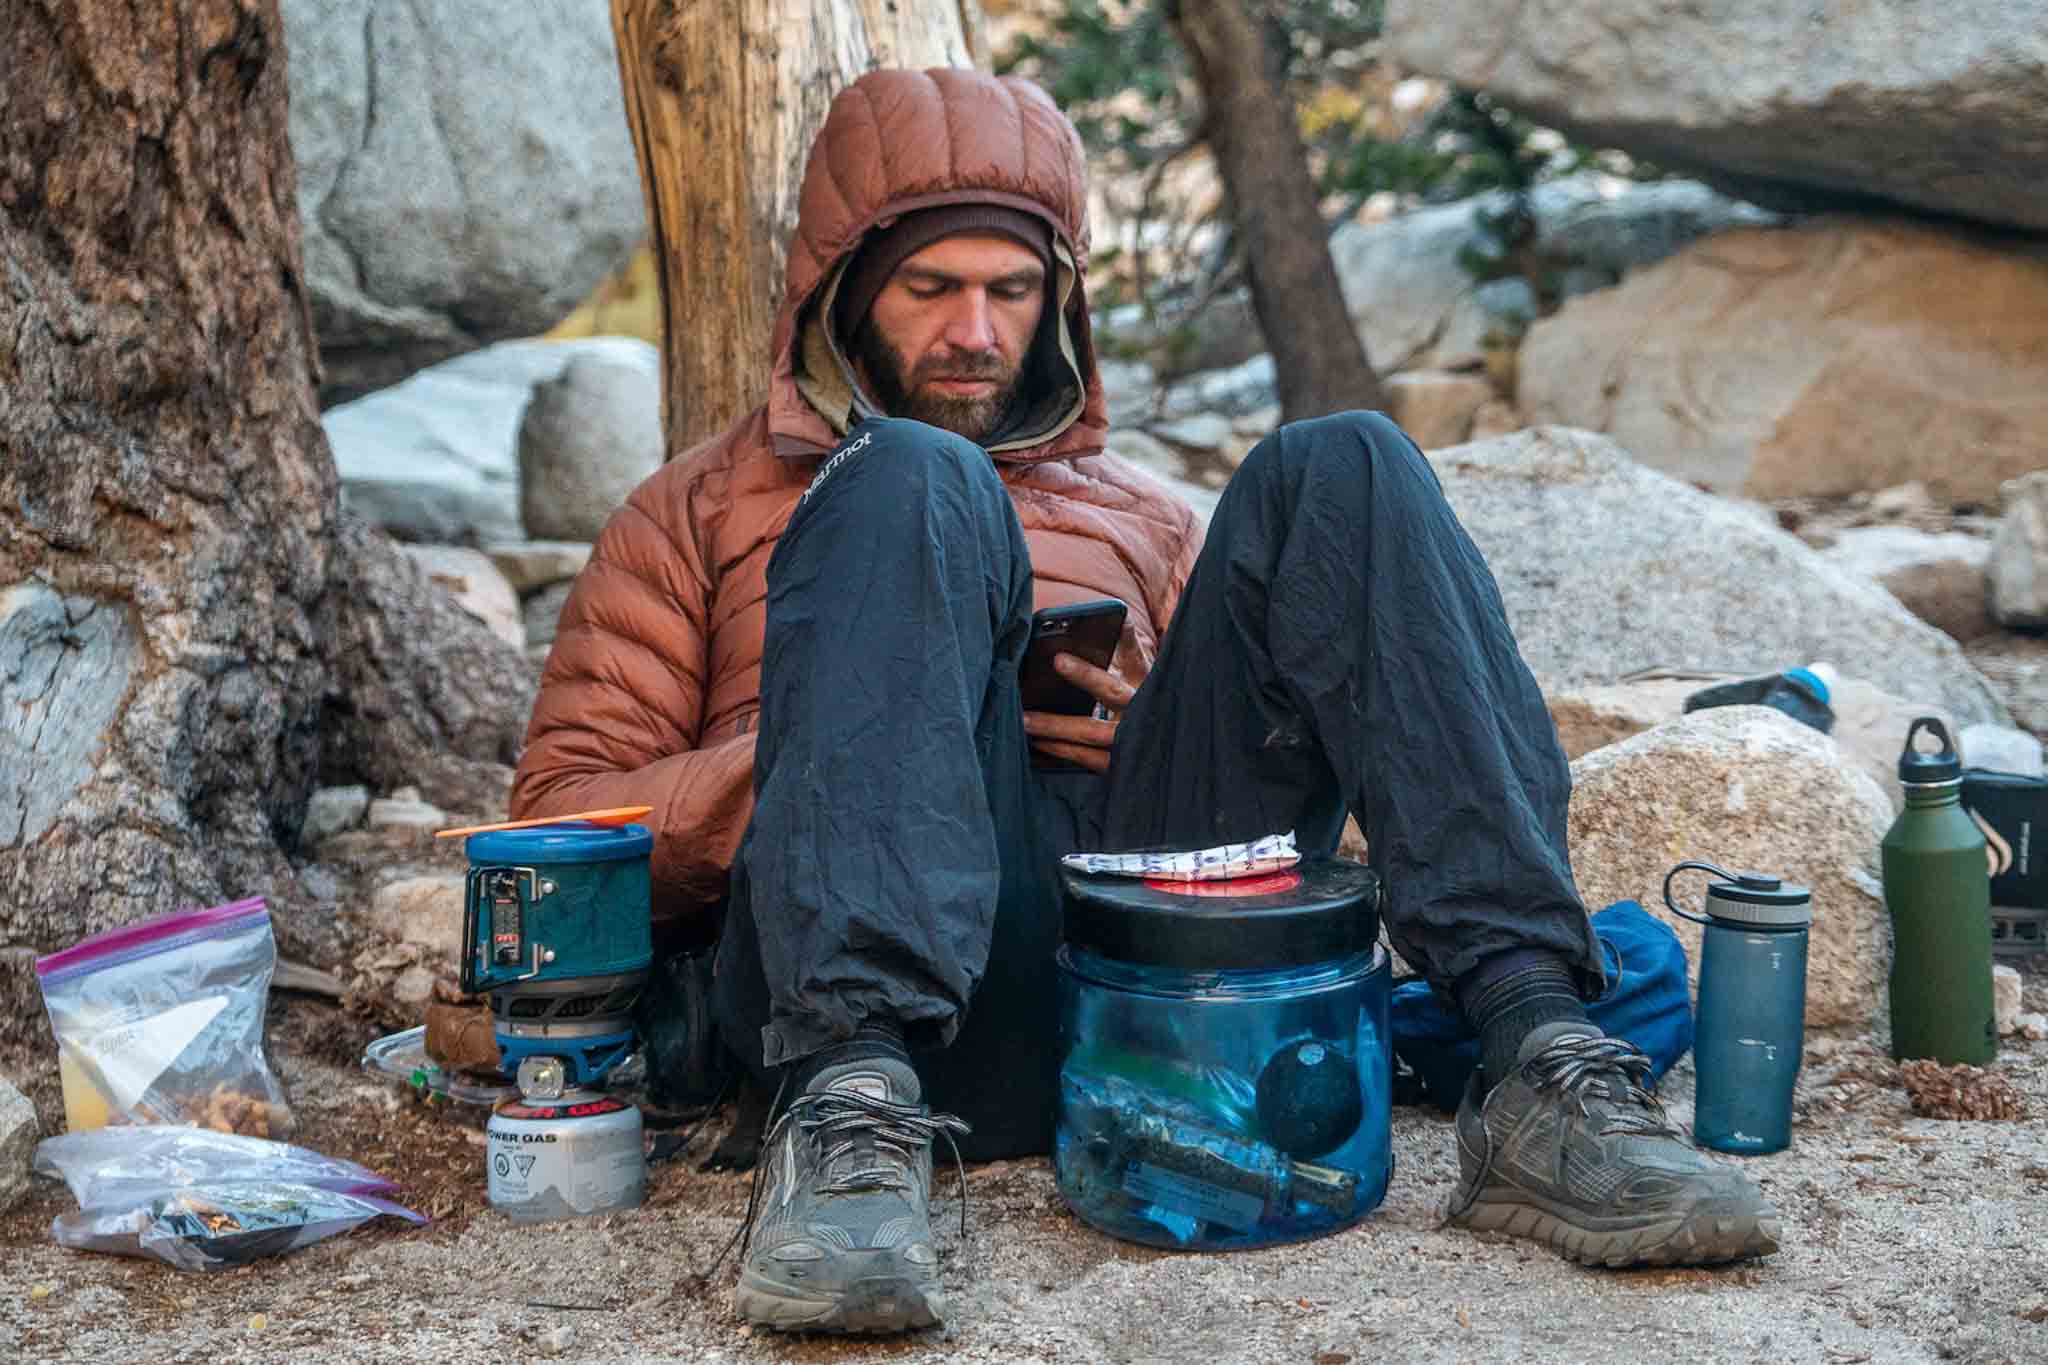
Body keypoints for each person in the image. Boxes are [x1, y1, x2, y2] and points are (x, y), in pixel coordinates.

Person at [511, 67, 1779, 1335]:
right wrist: (830, 748)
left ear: (1055, 305)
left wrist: (1136, 723)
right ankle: (845, 1131)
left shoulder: (1147, 520)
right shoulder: (687, 511)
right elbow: (553, 831)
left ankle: (1538, 1065)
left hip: (1161, 999)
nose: (973, 331)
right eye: (929, 289)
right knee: (907, 474)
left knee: (1342, 462)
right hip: (892, 1013)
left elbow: (1323, 789)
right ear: (841, 299)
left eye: (1010, 292)